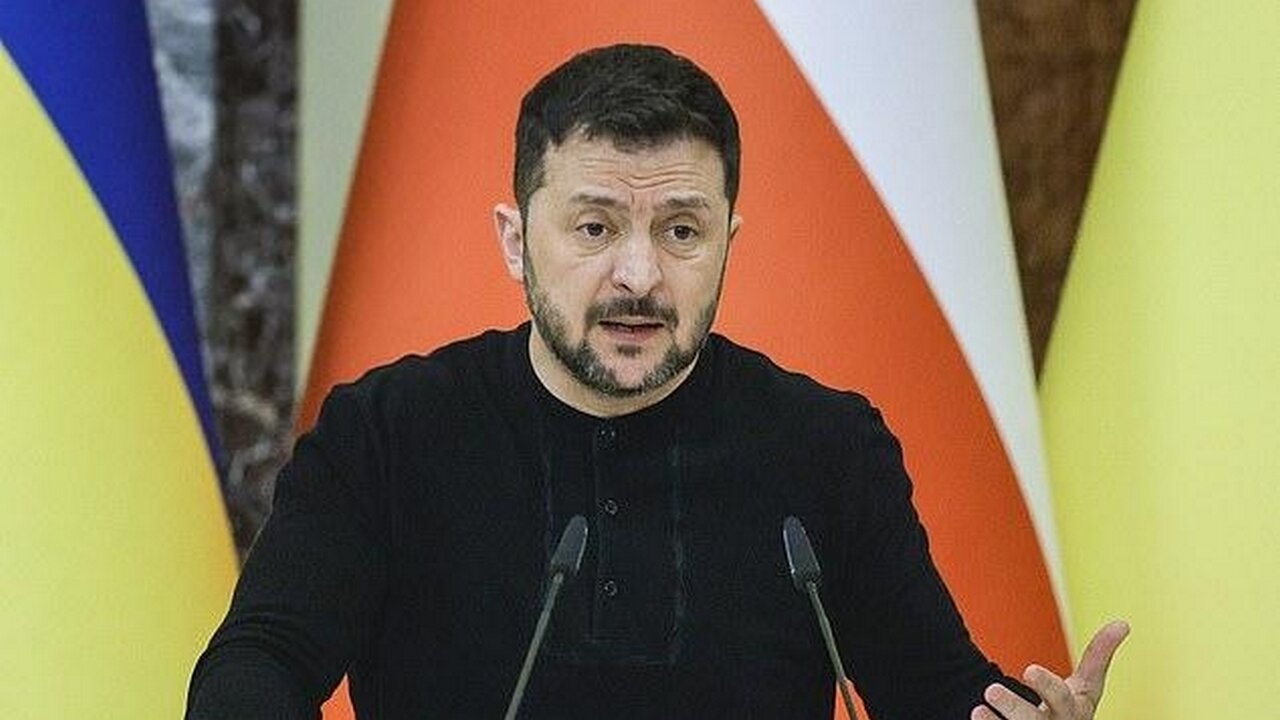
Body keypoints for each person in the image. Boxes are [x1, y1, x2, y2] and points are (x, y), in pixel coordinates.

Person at [187, 44, 1126, 719]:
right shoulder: (385, 433)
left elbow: (937, 693)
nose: (638, 276)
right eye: (595, 227)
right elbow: (260, 661)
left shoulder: (826, 448)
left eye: (681, 231)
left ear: (728, 243)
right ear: (516, 240)